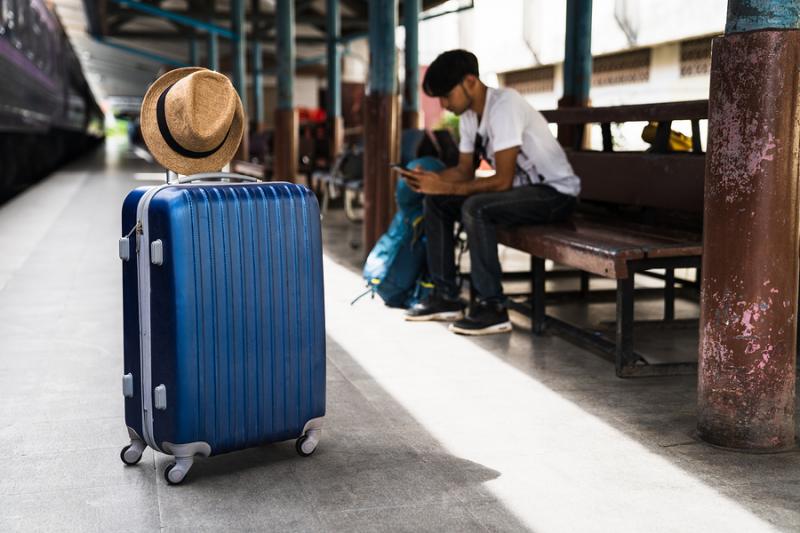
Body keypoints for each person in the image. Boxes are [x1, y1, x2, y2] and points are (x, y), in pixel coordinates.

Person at [396, 49, 580, 335]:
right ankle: (446, 297)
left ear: (470, 81)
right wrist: (432, 180)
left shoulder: (504, 105)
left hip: (554, 194)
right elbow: (463, 171)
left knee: (475, 207)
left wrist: (445, 185)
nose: (444, 104)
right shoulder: (470, 115)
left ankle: (492, 306)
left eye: (447, 95)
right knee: (436, 202)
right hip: (522, 195)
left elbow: (502, 181)